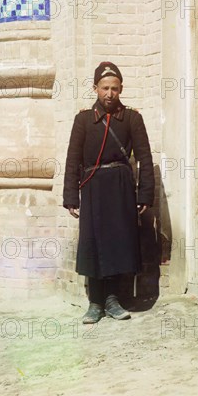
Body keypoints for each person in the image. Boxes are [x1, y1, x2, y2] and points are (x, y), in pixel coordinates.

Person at [63, 61, 155, 324]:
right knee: (92, 243)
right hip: (92, 187)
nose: (109, 94)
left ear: (121, 89)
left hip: (121, 188)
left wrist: (144, 194)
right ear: (95, 88)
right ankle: (94, 303)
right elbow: (72, 160)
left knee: (118, 244)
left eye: (115, 88)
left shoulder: (133, 118)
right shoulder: (83, 120)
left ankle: (113, 300)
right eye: (105, 88)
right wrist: (71, 197)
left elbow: (145, 160)